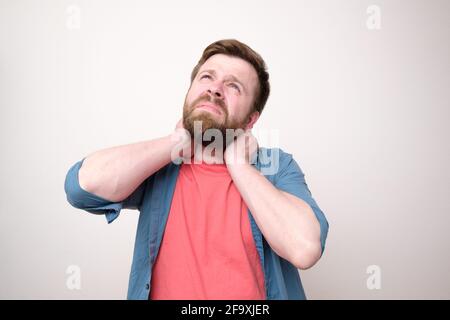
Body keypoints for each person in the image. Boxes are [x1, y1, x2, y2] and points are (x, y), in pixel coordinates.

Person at [64, 39, 329, 300]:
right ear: (189, 92)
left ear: (251, 119)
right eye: (206, 77)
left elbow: (304, 249)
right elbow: (83, 186)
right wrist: (174, 144)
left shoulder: (276, 167)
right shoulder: (161, 165)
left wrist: (239, 165)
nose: (215, 89)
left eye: (233, 86)